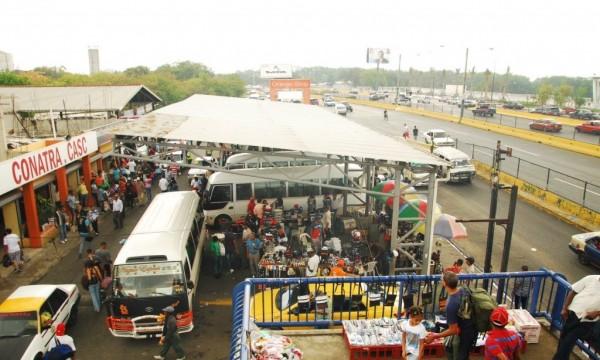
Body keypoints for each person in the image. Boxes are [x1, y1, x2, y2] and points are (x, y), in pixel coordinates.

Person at [425, 272, 476, 360]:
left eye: (441, 280)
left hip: (464, 334)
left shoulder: (451, 304)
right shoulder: (462, 289)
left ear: (444, 283)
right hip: (472, 327)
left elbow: (453, 330)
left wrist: (435, 336)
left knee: (461, 356)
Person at [553, 274, 600, 360]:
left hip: (587, 321)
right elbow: (573, 291)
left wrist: (597, 313)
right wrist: (564, 308)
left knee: (568, 342)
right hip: (573, 315)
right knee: (563, 339)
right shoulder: (590, 278)